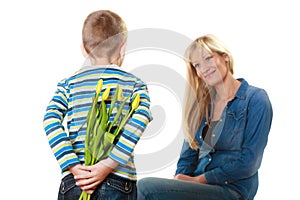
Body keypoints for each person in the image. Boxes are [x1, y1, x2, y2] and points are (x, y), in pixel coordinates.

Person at [137, 34, 273, 200]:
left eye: (208, 58)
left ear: (225, 58)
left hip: (232, 190)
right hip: (197, 187)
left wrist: (199, 180)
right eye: (197, 65)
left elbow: (249, 162)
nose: (204, 69)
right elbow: (188, 156)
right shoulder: (202, 107)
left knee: (146, 188)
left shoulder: (255, 99)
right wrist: (179, 181)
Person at [43, 10, 152, 200]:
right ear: (122, 49)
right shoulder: (135, 84)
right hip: (117, 181)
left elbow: (50, 119)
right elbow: (141, 119)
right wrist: (108, 164)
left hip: (75, 181)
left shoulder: (68, 84)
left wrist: (73, 166)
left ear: (83, 50)